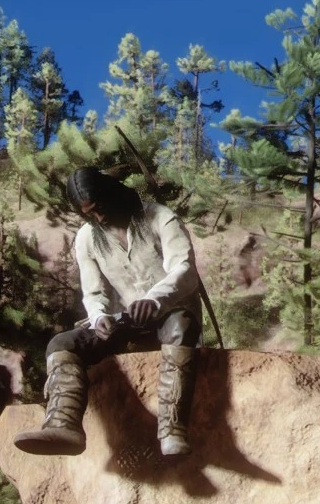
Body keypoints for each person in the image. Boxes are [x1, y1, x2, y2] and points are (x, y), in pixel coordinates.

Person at [12, 167, 203, 458]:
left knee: (181, 325)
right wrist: (100, 317)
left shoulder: (160, 217)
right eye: (89, 213)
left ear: (113, 194)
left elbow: (185, 270)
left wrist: (153, 301)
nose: (99, 217)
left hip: (172, 312)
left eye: (101, 207)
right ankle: (64, 426)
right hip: (125, 322)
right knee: (62, 344)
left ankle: (172, 430)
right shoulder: (87, 237)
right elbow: (94, 293)